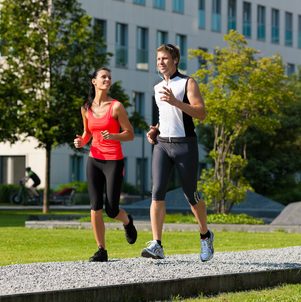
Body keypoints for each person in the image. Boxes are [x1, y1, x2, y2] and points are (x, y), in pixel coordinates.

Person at [142, 44, 214, 262]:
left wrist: (176, 101)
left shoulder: (187, 82)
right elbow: (166, 117)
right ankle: (157, 244)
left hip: (185, 145)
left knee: (191, 195)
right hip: (162, 145)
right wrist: (155, 130)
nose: (161, 62)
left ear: (175, 60)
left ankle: (205, 236)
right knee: (157, 193)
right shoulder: (156, 87)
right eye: (158, 59)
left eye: (165, 58)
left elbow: (201, 113)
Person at [74, 67, 138, 262]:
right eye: (103, 77)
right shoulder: (86, 108)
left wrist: (113, 136)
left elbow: (130, 134)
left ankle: (127, 221)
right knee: (95, 207)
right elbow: (87, 133)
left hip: (114, 161)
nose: (107, 80)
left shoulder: (116, 107)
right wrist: (80, 142)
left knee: (111, 210)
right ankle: (101, 250)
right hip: (94, 160)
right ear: (94, 81)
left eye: (109, 78)